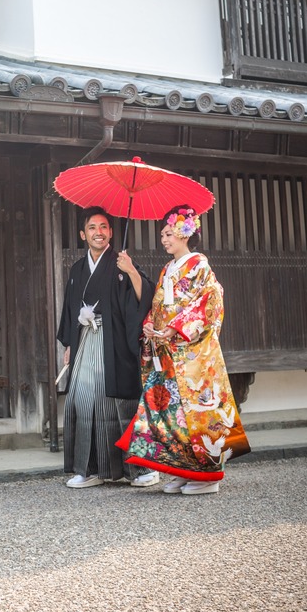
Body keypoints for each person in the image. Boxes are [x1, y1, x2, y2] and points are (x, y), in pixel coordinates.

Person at [117, 205, 251, 494]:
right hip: (168, 352)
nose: (164, 239)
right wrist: (152, 327)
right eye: (163, 234)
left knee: (198, 411)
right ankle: (183, 468)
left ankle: (208, 475)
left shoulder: (199, 264)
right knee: (172, 412)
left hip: (193, 353)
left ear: (185, 232)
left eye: (168, 233)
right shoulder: (168, 269)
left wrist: (175, 328)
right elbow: (158, 306)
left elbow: (208, 303)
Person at [57, 207, 156, 488]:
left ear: (111, 232)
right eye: (92, 227)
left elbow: (144, 298)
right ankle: (88, 469)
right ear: (83, 234)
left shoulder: (122, 263)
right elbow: (69, 310)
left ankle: (141, 469)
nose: (98, 232)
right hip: (85, 342)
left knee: (121, 404)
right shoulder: (78, 269)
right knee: (82, 402)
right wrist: (68, 344)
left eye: (103, 227)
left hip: (114, 344)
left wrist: (132, 273)